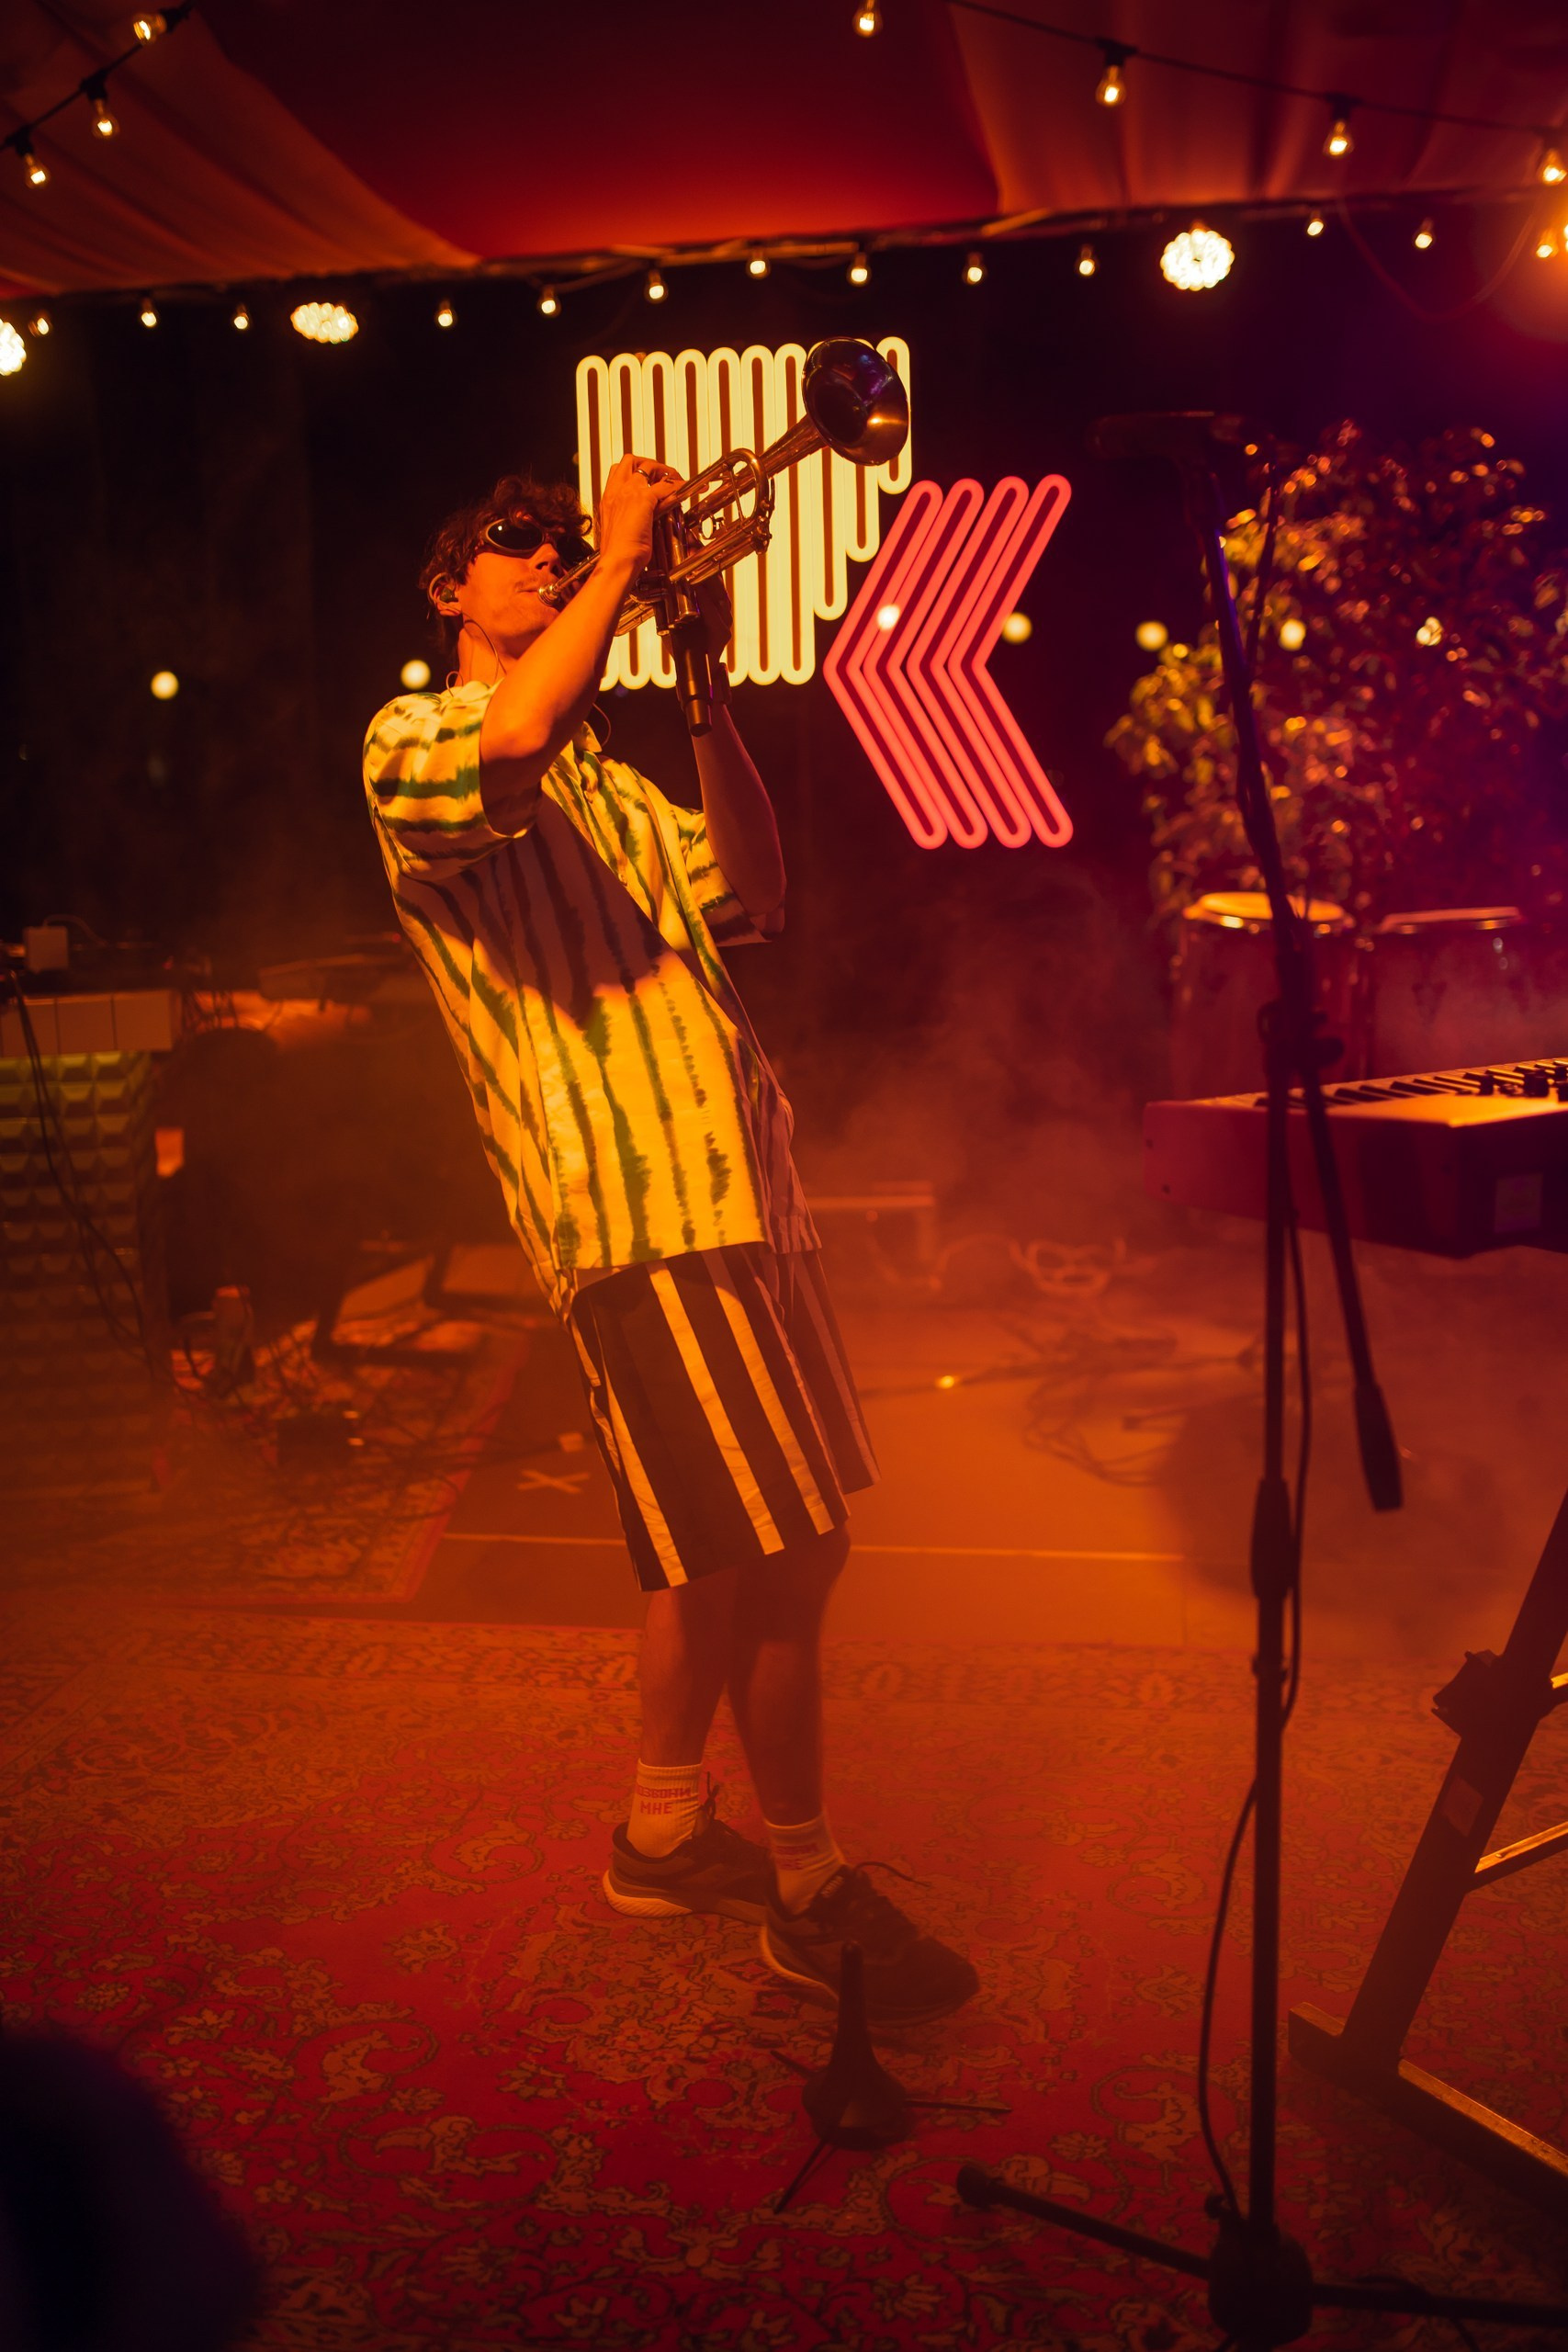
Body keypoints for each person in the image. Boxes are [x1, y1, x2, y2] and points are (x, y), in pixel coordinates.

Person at [362, 458, 976, 2026]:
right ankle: (809, 1887)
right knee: (790, 1549)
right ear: (447, 589)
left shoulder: (615, 788)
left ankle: (658, 1835)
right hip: (640, 1213)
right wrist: (627, 554)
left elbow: (760, 890)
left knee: (716, 1543)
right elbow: (511, 739)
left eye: (562, 545)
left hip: (743, 1200)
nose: (550, 557)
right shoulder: (411, 737)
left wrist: (697, 672)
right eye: (516, 544)